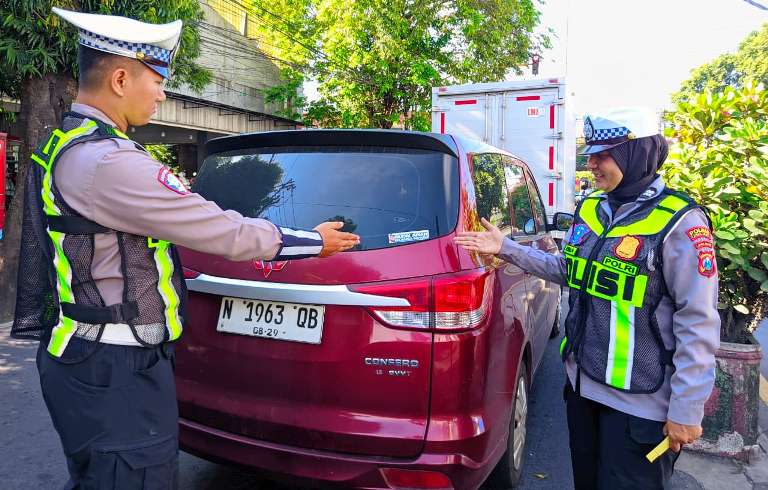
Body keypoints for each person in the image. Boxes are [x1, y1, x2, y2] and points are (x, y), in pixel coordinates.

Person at [11, 8, 359, 489]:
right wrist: (312, 242)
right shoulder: (109, 163)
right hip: (116, 372)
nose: (162, 93)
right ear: (119, 78)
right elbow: (221, 230)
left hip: (89, 362)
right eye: (157, 79)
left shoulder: (67, 144)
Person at [455, 107, 720, 489]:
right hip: (583, 390)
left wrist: (687, 407)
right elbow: (568, 271)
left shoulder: (679, 222)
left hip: (640, 407)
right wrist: (507, 247)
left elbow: (698, 320)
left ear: (638, 153)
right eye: (590, 153)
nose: (591, 164)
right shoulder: (592, 208)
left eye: (603, 155)